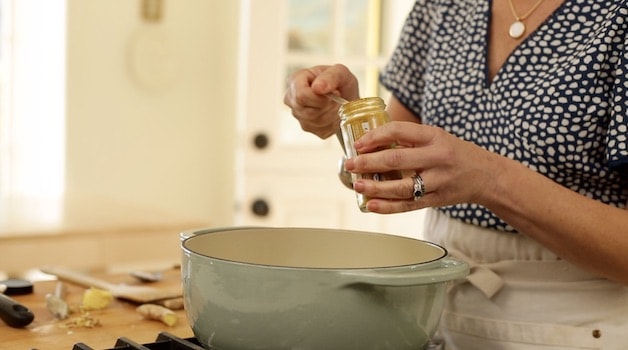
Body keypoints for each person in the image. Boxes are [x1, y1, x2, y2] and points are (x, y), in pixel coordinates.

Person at [284, 0, 627, 349]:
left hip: (579, 329)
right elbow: (400, 167)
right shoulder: (442, 5)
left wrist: (490, 179)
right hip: (436, 310)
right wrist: (351, 124)